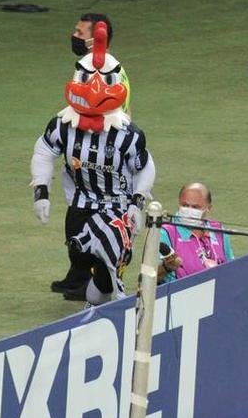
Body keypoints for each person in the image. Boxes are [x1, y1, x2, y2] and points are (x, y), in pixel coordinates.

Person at [31, 20, 155, 308]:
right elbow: (44, 152)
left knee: (106, 270)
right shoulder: (63, 125)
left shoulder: (128, 134)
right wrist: (41, 191)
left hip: (116, 209)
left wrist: (137, 202)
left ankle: (97, 306)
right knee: (79, 256)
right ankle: (94, 292)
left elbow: (145, 166)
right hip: (81, 204)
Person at [53, 13, 134, 300]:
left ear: (95, 38)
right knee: (77, 214)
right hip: (84, 155)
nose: (74, 35)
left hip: (103, 159)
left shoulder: (113, 73)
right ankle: (77, 276)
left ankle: (92, 279)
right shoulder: (87, 70)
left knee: (93, 218)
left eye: (79, 31)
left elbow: (116, 118)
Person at [157, 182, 234, 284]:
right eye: (185, 205)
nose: (189, 211)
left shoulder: (219, 231)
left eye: (195, 207)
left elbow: (232, 269)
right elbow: (148, 277)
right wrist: (166, 267)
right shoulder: (166, 232)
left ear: (208, 208)